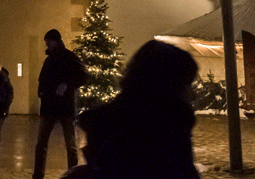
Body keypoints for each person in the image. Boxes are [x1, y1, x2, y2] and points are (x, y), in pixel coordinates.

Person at [73, 39, 201, 179]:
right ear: (169, 85)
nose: (191, 93)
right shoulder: (166, 133)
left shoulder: (107, 124)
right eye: (187, 83)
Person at [32, 28, 87, 179]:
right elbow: (42, 79)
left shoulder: (69, 57)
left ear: (56, 41)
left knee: (70, 144)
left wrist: (67, 84)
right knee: (42, 143)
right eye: (47, 42)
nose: (47, 44)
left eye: (49, 41)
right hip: (49, 106)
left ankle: (73, 174)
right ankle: (37, 175)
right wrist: (41, 92)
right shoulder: (49, 59)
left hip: (65, 107)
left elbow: (83, 75)